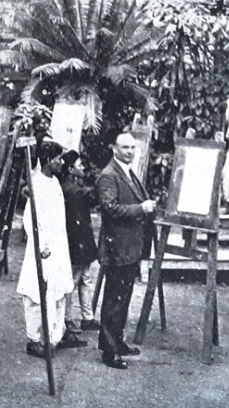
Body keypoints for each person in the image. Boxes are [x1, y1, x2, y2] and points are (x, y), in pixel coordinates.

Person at [19, 139, 86, 358]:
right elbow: (30, 219)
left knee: (57, 293)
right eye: (58, 158)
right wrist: (42, 247)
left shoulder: (54, 181)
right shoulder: (37, 183)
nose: (61, 162)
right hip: (43, 248)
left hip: (59, 246)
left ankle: (54, 336)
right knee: (37, 295)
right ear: (48, 160)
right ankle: (35, 339)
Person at [96, 131, 156, 370]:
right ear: (115, 149)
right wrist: (141, 208)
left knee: (124, 297)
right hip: (117, 247)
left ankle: (117, 341)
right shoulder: (109, 175)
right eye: (125, 148)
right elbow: (110, 208)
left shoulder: (129, 171)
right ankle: (109, 350)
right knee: (113, 299)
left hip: (131, 246)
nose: (130, 151)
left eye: (132, 147)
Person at [59, 150, 101, 333]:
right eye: (79, 165)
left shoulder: (72, 186)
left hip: (81, 241)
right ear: (70, 169)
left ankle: (87, 316)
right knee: (75, 280)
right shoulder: (73, 191)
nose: (83, 167)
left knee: (84, 279)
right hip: (78, 241)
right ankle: (66, 318)